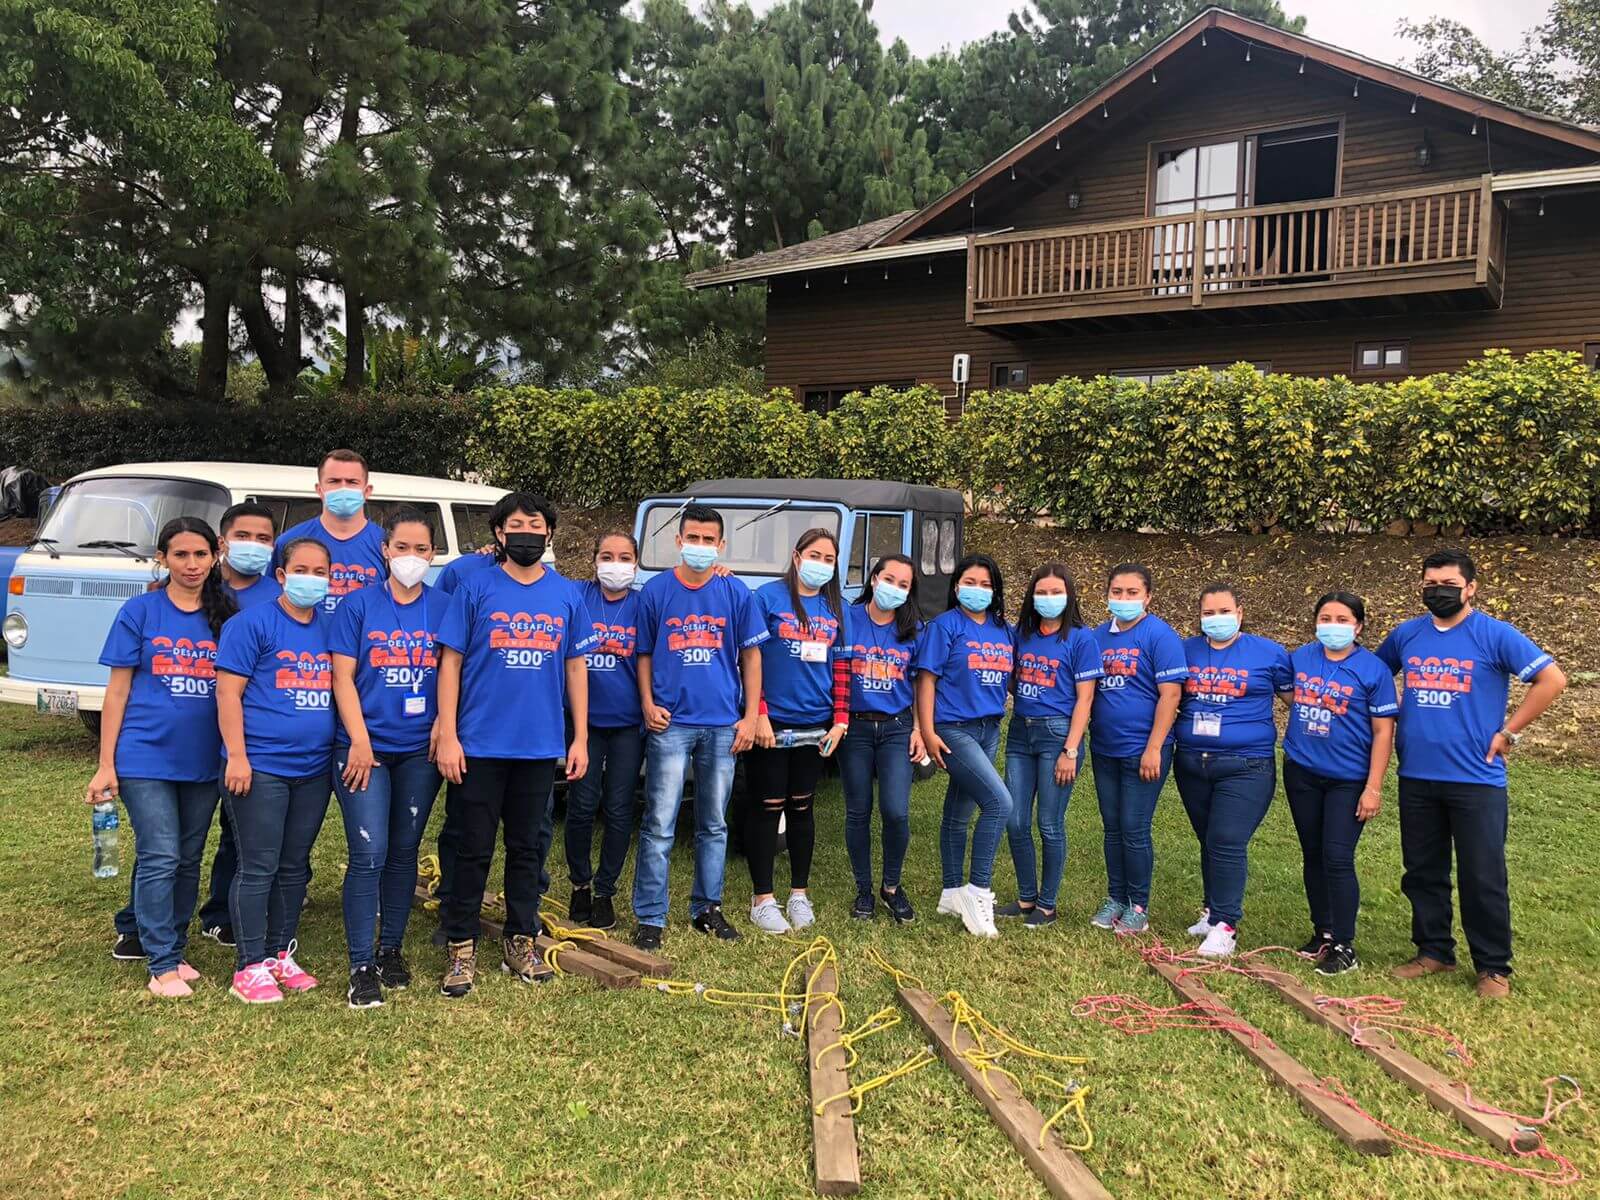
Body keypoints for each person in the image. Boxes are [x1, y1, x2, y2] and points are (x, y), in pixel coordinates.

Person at [1376, 549, 1566, 999]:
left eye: (1447, 584)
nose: (1437, 591)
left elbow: (1552, 680)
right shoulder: (1407, 635)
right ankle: (1434, 950)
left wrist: (1510, 733)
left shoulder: (1493, 634)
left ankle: (1493, 967)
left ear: (1470, 588)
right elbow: (1374, 674)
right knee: (1423, 870)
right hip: (1418, 774)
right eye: (1429, 584)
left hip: (1476, 779)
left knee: (1482, 874)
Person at [433, 492, 591, 998]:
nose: (527, 532)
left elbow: (575, 667)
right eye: (516, 524)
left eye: (536, 524)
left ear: (549, 533)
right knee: (471, 848)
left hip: (539, 746)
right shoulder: (474, 588)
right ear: (499, 533)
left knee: (528, 849)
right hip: (478, 744)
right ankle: (461, 946)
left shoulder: (568, 595)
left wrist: (580, 736)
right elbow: (450, 663)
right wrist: (449, 732)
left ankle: (520, 941)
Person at [88, 518, 235, 998]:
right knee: (160, 853)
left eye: (199, 555)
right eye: (180, 555)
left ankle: (173, 942)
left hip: (202, 759)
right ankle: (161, 963)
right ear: (162, 558)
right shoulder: (141, 612)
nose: (191, 565)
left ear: (215, 555)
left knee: (188, 857)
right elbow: (117, 693)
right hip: (143, 756)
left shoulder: (226, 614)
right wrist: (106, 763)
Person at [631, 504, 766, 951]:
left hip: (723, 724)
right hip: (671, 724)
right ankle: (651, 916)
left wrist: (749, 716)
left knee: (713, 823)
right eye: (694, 538)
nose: (701, 547)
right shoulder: (655, 591)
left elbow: (751, 656)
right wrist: (648, 704)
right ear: (678, 540)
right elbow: (644, 654)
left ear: (721, 545)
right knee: (660, 823)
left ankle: (707, 907)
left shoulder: (735, 592)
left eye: (710, 541)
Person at [329, 508, 443, 1008]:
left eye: (421, 549)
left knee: (403, 852)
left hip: (420, 749)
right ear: (385, 550)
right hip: (364, 750)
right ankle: (361, 964)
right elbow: (342, 678)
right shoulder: (356, 606)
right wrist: (358, 739)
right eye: (403, 548)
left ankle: (391, 948)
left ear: (433, 555)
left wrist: (445, 724)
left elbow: (455, 675)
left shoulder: (444, 606)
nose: (411, 558)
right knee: (369, 853)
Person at [215, 537, 337, 1004]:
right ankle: (248, 965)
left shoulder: (330, 627)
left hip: (312, 769)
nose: (312, 578)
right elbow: (228, 694)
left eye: (320, 571)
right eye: (301, 569)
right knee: (258, 865)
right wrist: (238, 756)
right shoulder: (252, 624)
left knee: (294, 867)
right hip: (261, 766)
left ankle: (278, 954)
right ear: (281, 576)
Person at [1173, 583, 1292, 958]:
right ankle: (1211, 913)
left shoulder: (1269, 653)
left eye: (1224, 611)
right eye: (1208, 612)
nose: (1216, 619)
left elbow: (1295, 701)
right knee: (1208, 838)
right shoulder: (1186, 650)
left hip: (1247, 764)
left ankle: (1226, 925)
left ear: (1240, 613)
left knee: (1226, 839)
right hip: (1193, 762)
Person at [1282, 592, 1398, 975]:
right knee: (1312, 853)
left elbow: (1383, 732)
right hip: (1302, 772)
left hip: (1348, 779)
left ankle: (1345, 945)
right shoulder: (1300, 658)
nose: (1333, 625)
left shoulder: (1373, 670)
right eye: (1325, 618)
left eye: (1342, 619)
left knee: (1337, 856)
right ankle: (1323, 932)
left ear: (1359, 625)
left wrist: (1373, 786)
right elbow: (1291, 697)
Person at [744, 529, 851, 935]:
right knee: (767, 806)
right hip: (771, 723)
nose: (821, 563)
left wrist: (840, 718)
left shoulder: (833, 608)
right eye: (815, 554)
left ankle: (799, 894)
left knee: (802, 807)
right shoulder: (767, 598)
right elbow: (749, 659)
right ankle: (763, 899)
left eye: (829, 558)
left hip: (816, 724)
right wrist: (759, 713)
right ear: (796, 555)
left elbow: (840, 667)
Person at [194, 501, 282, 949]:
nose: (253, 546)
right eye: (243, 537)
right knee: (179, 836)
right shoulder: (195, 587)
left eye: (264, 539)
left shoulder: (277, 597)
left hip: (251, 735)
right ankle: (140, 922)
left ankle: (221, 912)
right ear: (223, 542)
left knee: (238, 832)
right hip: (191, 727)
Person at [915, 553, 1014, 939]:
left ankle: (951, 891)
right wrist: (927, 731)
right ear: (956, 587)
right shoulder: (945, 626)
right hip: (953, 729)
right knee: (998, 803)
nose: (977, 590)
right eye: (969, 583)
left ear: (995, 590)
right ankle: (977, 891)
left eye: (985, 584)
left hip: (989, 728)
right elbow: (926, 680)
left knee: (959, 810)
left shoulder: (1003, 629)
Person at [998, 564, 1102, 929]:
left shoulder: (1081, 639)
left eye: (1056, 592)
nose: (1048, 599)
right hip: (1020, 733)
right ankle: (1026, 897)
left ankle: (1048, 904)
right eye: (1041, 592)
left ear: (1069, 596)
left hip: (1058, 736)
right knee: (1014, 819)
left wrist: (1070, 750)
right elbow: (1013, 678)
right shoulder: (1021, 634)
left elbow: (1085, 700)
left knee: (1049, 823)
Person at [1088, 564, 1185, 935]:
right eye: (1117, 592)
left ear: (1148, 597)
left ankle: (1138, 906)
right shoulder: (1098, 637)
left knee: (1134, 827)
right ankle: (1116, 896)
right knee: (1112, 827)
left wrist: (1154, 747)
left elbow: (1171, 694)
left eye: (1132, 593)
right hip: (1105, 748)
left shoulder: (1160, 636)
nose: (1123, 599)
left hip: (1144, 749)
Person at [564, 531, 645, 931]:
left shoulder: (643, 602)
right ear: (594, 560)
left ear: (636, 562)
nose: (616, 564)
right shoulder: (577, 595)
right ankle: (580, 881)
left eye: (625, 557)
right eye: (607, 556)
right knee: (580, 805)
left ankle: (605, 891)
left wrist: (717, 574)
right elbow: (529, 577)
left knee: (618, 809)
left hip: (629, 725)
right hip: (585, 724)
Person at [839, 554, 925, 924]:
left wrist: (920, 729)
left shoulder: (915, 629)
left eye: (904, 585)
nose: (895, 588)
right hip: (855, 728)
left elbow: (922, 683)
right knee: (858, 811)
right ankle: (863, 890)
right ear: (874, 579)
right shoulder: (847, 618)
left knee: (895, 810)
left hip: (896, 727)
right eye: (890, 579)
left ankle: (891, 886)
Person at [273, 448, 387, 614]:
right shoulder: (289, 541)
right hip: (305, 639)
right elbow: (274, 601)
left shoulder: (386, 544)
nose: (343, 488)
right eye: (334, 481)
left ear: (367, 491)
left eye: (352, 482)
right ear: (319, 490)